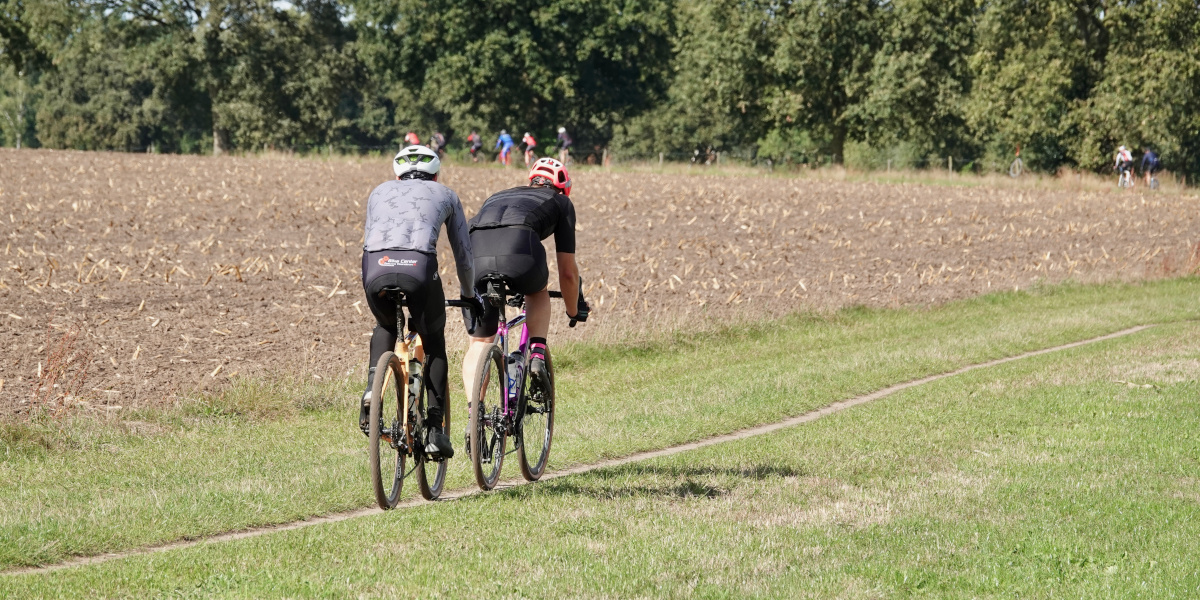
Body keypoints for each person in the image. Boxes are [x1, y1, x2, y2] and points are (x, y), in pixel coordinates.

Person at [360, 145, 480, 458]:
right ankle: (436, 429)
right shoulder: (446, 194)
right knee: (434, 342)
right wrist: (469, 294)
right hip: (418, 267)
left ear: (396, 174)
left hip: (375, 267)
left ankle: (373, 388)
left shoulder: (378, 192)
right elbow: (464, 255)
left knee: (385, 324)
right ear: (436, 174)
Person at [462, 157, 588, 391]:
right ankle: (537, 354)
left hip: (475, 254)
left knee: (479, 344)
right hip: (519, 252)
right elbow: (568, 273)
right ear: (563, 187)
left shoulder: (498, 195)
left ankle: (473, 417)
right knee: (537, 291)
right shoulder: (560, 201)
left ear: (532, 181)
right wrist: (573, 310)